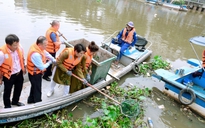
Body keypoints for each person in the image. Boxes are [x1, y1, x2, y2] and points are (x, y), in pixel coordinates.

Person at [27, 36, 56, 104]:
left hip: (34, 73)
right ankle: (39, 103)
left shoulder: (37, 46)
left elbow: (46, 53)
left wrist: (53, 59)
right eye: (45, 45)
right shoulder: (36, 54)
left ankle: (30, 100)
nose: (46, 46)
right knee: (37, 89)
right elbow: (42, 67)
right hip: (35, 74)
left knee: (34, 86)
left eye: (47, 44)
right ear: (39, 44)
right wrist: (50, 62)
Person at [0, 34, 26, 108]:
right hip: (9, 75)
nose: (17, 46)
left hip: (18, 73)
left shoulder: (19, 48)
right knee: (7, 91)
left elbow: (22, 58)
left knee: (19, 88)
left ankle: (15, 101)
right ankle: (7, 106)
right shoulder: (2, 54)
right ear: (8, 45)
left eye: (17, 44)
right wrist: (0, 78)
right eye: (15, 45)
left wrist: (24, 67)